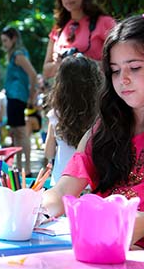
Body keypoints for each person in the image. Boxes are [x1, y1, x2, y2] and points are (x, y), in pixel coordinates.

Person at [42, 1, 144, 248]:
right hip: (101, 250)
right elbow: (60, 193)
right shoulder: (102, 131)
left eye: (134, 67)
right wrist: (23, 205)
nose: (124, 79)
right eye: (115, 71)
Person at [42, 0, 116, 78]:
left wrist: (84, 63)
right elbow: (46, 72)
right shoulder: (58, 29)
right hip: (65, 93)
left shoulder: (105, 23)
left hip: (96, 92)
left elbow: (119, 64)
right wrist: (61, 64)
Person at [43, 54, 102, 186]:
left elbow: (49, 152)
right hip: (90, 182)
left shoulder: (55, 115)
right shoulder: (100, 115)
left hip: (61, 182)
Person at [0, 26, 39, 176]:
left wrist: (31, 95)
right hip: (13, 96)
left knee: (21, 132)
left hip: (17, 96)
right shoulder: (14, 55)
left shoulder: (18, 55)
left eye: (5, 40)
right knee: (16, 133)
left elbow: (33, 74)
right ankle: (19, 166)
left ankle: (27, 168)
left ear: (13, 39)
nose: (3, 44)